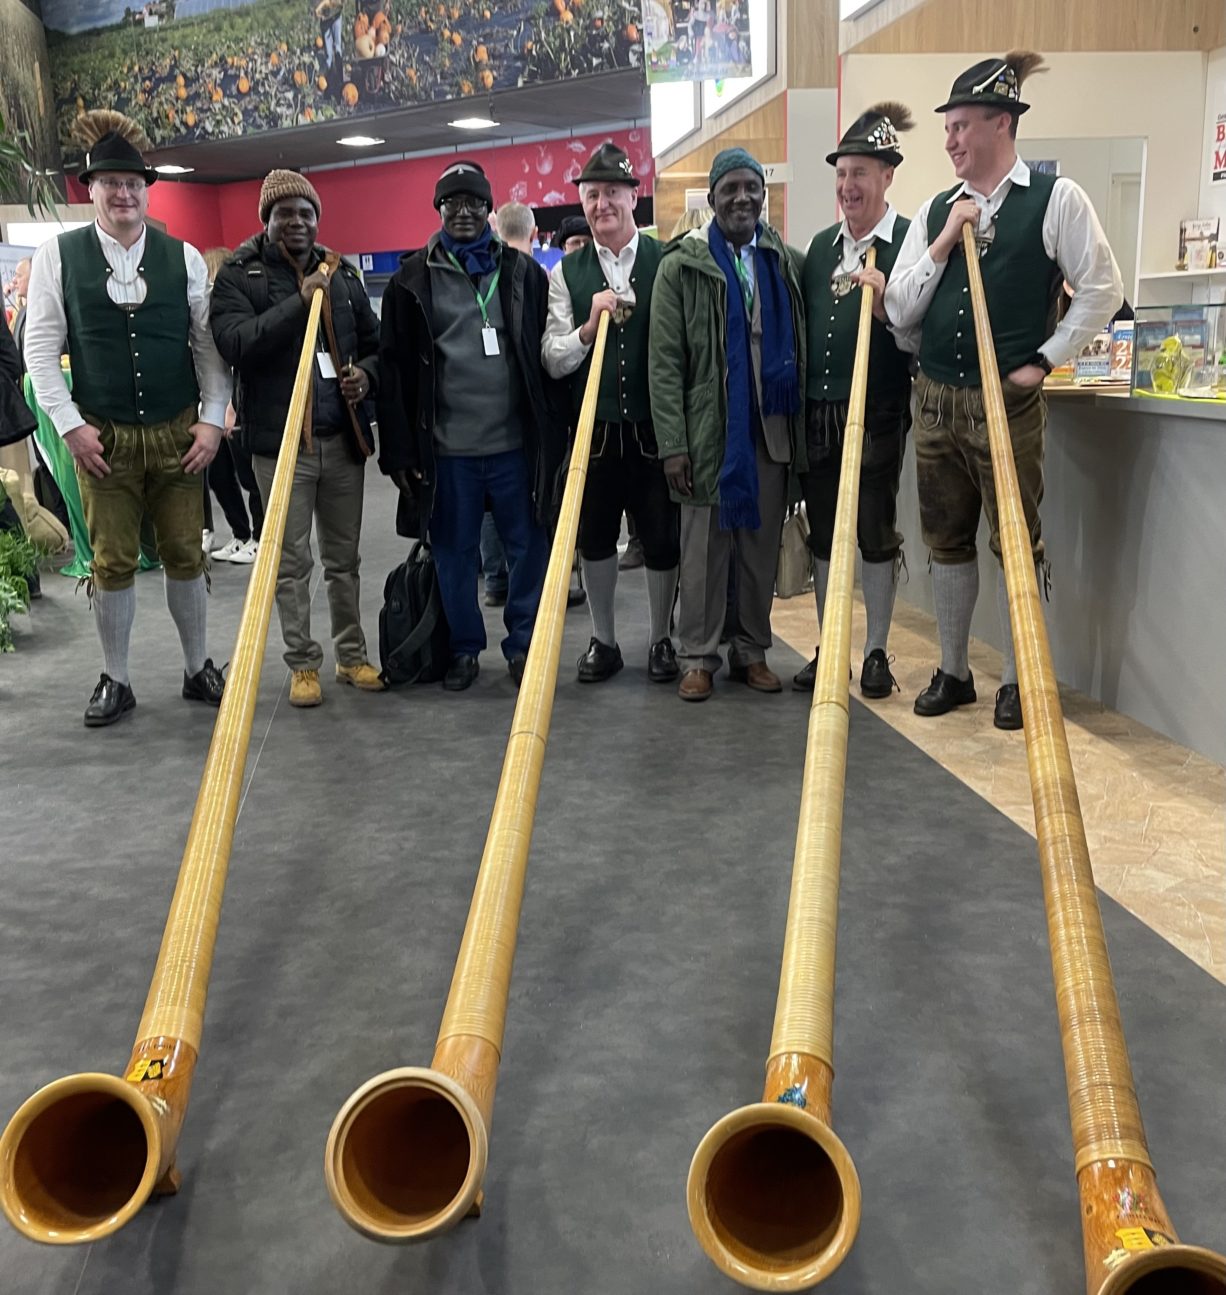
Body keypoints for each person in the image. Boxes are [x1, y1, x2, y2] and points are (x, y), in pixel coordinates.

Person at [884, 51, 1122, 730]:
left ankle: (1020, 679)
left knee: (1018, 540)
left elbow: (1103, 289)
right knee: (946, 540)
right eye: (948, 128)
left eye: (960, 125)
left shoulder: (1056, 199)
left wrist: (1046, 358)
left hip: (1007, 405)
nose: (951, 140)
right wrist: (943, 242)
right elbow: (899, 309)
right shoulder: (935, 209)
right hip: (934, 401)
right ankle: (955, 671)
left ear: (999, 123)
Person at [24, 110, 230, 727]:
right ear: (91, 188)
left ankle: (197, 669)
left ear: (146, 189)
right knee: (111, 561)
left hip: (177, 432)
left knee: (185, 556)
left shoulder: (184, 258)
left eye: (133, 182)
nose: (123, 193)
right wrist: (69, 426)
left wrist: (213, 419)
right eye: (110, 182)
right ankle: (116, 678)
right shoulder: (58, 258)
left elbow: (207, 347)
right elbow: (40, 351)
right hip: (102, 437)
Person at [377, 159, 563, 691]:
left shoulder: (525, 274)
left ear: (489, 208)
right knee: (455, 555)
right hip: (447, 450)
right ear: (438, 209)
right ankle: (463, 649)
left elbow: (544, 359)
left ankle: (524, 644)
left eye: (474, 202)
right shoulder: (411, 280)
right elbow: (393, 373)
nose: (463, 211)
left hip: (514, 448)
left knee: (529, 549)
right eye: (451, 202)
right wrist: (400, 456)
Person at [210, 170, 384, 708]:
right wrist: (299, 303)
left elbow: (375, 345)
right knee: (290, 560)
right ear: (267, 219)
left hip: (341, 440)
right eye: (285, 212)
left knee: (344, 559)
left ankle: (350, 655)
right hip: (279, 447)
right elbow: (237, 342)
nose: (297, 222)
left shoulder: (343, 275)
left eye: (306, 213)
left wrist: (367, 376)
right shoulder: (241, 276)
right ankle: (302, 664)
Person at [649, 147, 804, 703]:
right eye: (730, 188)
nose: (742, 197)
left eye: (751, 188)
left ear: (764, 195)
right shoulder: (680, 267)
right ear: (712, 198)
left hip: (769, 431)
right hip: (706, 433)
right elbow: (663, 363)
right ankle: (697, 655)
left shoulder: (781, 260)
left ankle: (752, 650)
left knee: (760, 547)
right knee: (703, 552)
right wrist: (674, 444)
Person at [542, 141, 679, 684]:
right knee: (594, 539)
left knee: (662, 539)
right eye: (592, 194)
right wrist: (586, 330)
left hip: (653, 429)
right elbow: (552, 358)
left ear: (633, 197)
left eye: (612, 193)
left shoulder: (664, 260)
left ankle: (662, 639)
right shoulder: (565, 273)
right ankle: (604, 641)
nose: (602, 204)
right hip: (593, 433)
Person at [794, 102, 916, 699]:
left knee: (875, 531)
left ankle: (874, 653)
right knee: (824, 535)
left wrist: (887, 304)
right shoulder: (819, 248)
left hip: (879, 411)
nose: (848, 186)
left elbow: (917, 334)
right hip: (819, 411)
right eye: (842, 174)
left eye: (860, 173)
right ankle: (830, 646)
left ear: (887, 175)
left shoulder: (910, 243)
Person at [202, 245, 262, 565]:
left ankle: (258, 538)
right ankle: (241, 535)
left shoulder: (234, 306)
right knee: (219, 475)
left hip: (237, 405)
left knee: (249, 476)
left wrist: (231, 407)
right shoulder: (210, 309)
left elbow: (238, 363)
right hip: (215, 405)